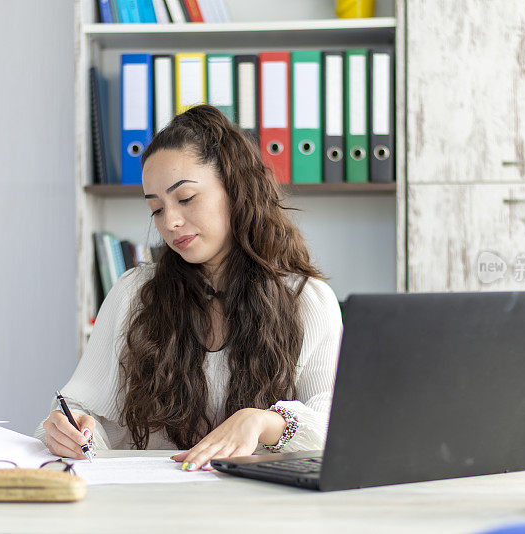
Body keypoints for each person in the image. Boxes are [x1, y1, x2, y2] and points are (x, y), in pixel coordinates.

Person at [34, 105, 342, 472]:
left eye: (185, 198)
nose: (172, 222)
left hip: (265, 509)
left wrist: (261, 422)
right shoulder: (135, 293)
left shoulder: (306, 298)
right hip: (158, 509)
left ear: (236, 189)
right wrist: (70, 429)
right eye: (156, 209)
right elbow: (85, 412)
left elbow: (336, 426)